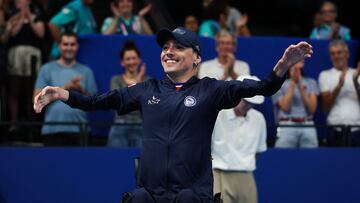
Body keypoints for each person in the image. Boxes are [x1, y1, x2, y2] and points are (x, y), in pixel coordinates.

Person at [34, 27, 313, 202]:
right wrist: (62, 94)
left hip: (192, 196)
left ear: (196, 58)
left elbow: (262, 87)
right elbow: (97, 101)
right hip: (151, 196)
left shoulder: (211, 90)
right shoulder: (146, 89)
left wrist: (282, 67)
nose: (169, 52)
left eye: (178, 47)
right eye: (166, 47)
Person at [33, 32, 97, 146]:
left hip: (80, 129)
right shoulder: (46, 69)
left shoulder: (86, 71)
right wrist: (66, 87)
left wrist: (82, 91)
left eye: (72, 44)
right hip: (52, 129)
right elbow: (36, 98)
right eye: (65, 44)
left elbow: (95, 103)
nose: (69, 48)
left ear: (77, 46)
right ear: (59, 46)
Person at [212, 75, 266, 203]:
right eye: (245, 101)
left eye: (252, 103)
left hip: (246, 175)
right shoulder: (218, 114)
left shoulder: (259, 119)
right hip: (218, 173)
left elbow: (258, 151)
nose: (248, 105)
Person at [2, 0, 45, 132]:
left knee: (30, 90)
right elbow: (11, 34)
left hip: (32, 54)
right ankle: (14, 122)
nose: (17, 2)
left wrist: (29, 18)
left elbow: (41, 34)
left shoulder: (37, 15)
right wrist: (20, 19)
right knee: (14, 89)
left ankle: (31, 121)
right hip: (16, 54)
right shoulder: (11, 16)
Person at [107, 40, 150, 147]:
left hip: (141, 125)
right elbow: (119, 103)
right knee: (116, 160)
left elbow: (146, 105)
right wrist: (139, 81)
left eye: (134, 58)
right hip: (120, 125)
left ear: (139, 60)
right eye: (128, 59)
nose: (131, 62)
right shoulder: (115, 80)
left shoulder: (148, 81)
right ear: (122, 62)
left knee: (141, 161)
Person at [318, 39, 360, 147]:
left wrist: (356, 83)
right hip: (335, 129)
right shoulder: (325, 75)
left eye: (339, 52)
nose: (336, 56)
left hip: (357, 129)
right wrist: (339, 86)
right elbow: (325, 108)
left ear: (347, 54)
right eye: (333, 53)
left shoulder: (357, 74)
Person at [272, 60, 319, 148]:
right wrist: (293, 82)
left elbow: (312, 109)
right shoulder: (279, 84)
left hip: (307, 124)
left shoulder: (311, 82)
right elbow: (285, 107)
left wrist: (300, 84)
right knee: (283, 157)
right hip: (287, 125)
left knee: (311, 158)